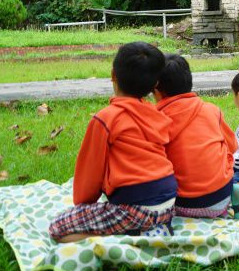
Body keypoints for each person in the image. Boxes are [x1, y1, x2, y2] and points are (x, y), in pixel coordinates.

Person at [48, 42, 177, 242]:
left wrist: (84, 206)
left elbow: (89, 172)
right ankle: (149, 227)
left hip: (133, 207)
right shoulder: (155, 113)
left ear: (113, 75)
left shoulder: (106, 119)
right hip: (168, 203)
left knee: (58, 228)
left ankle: (131, 235)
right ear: (154, 86)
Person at [153, 55, 239, 219]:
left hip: (179, 205)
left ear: (155, 90)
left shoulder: (153, 120)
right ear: (189, 81)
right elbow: (233, 147)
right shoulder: (211, 110)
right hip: (221, 198)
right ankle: (234, 193)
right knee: (224, 154)